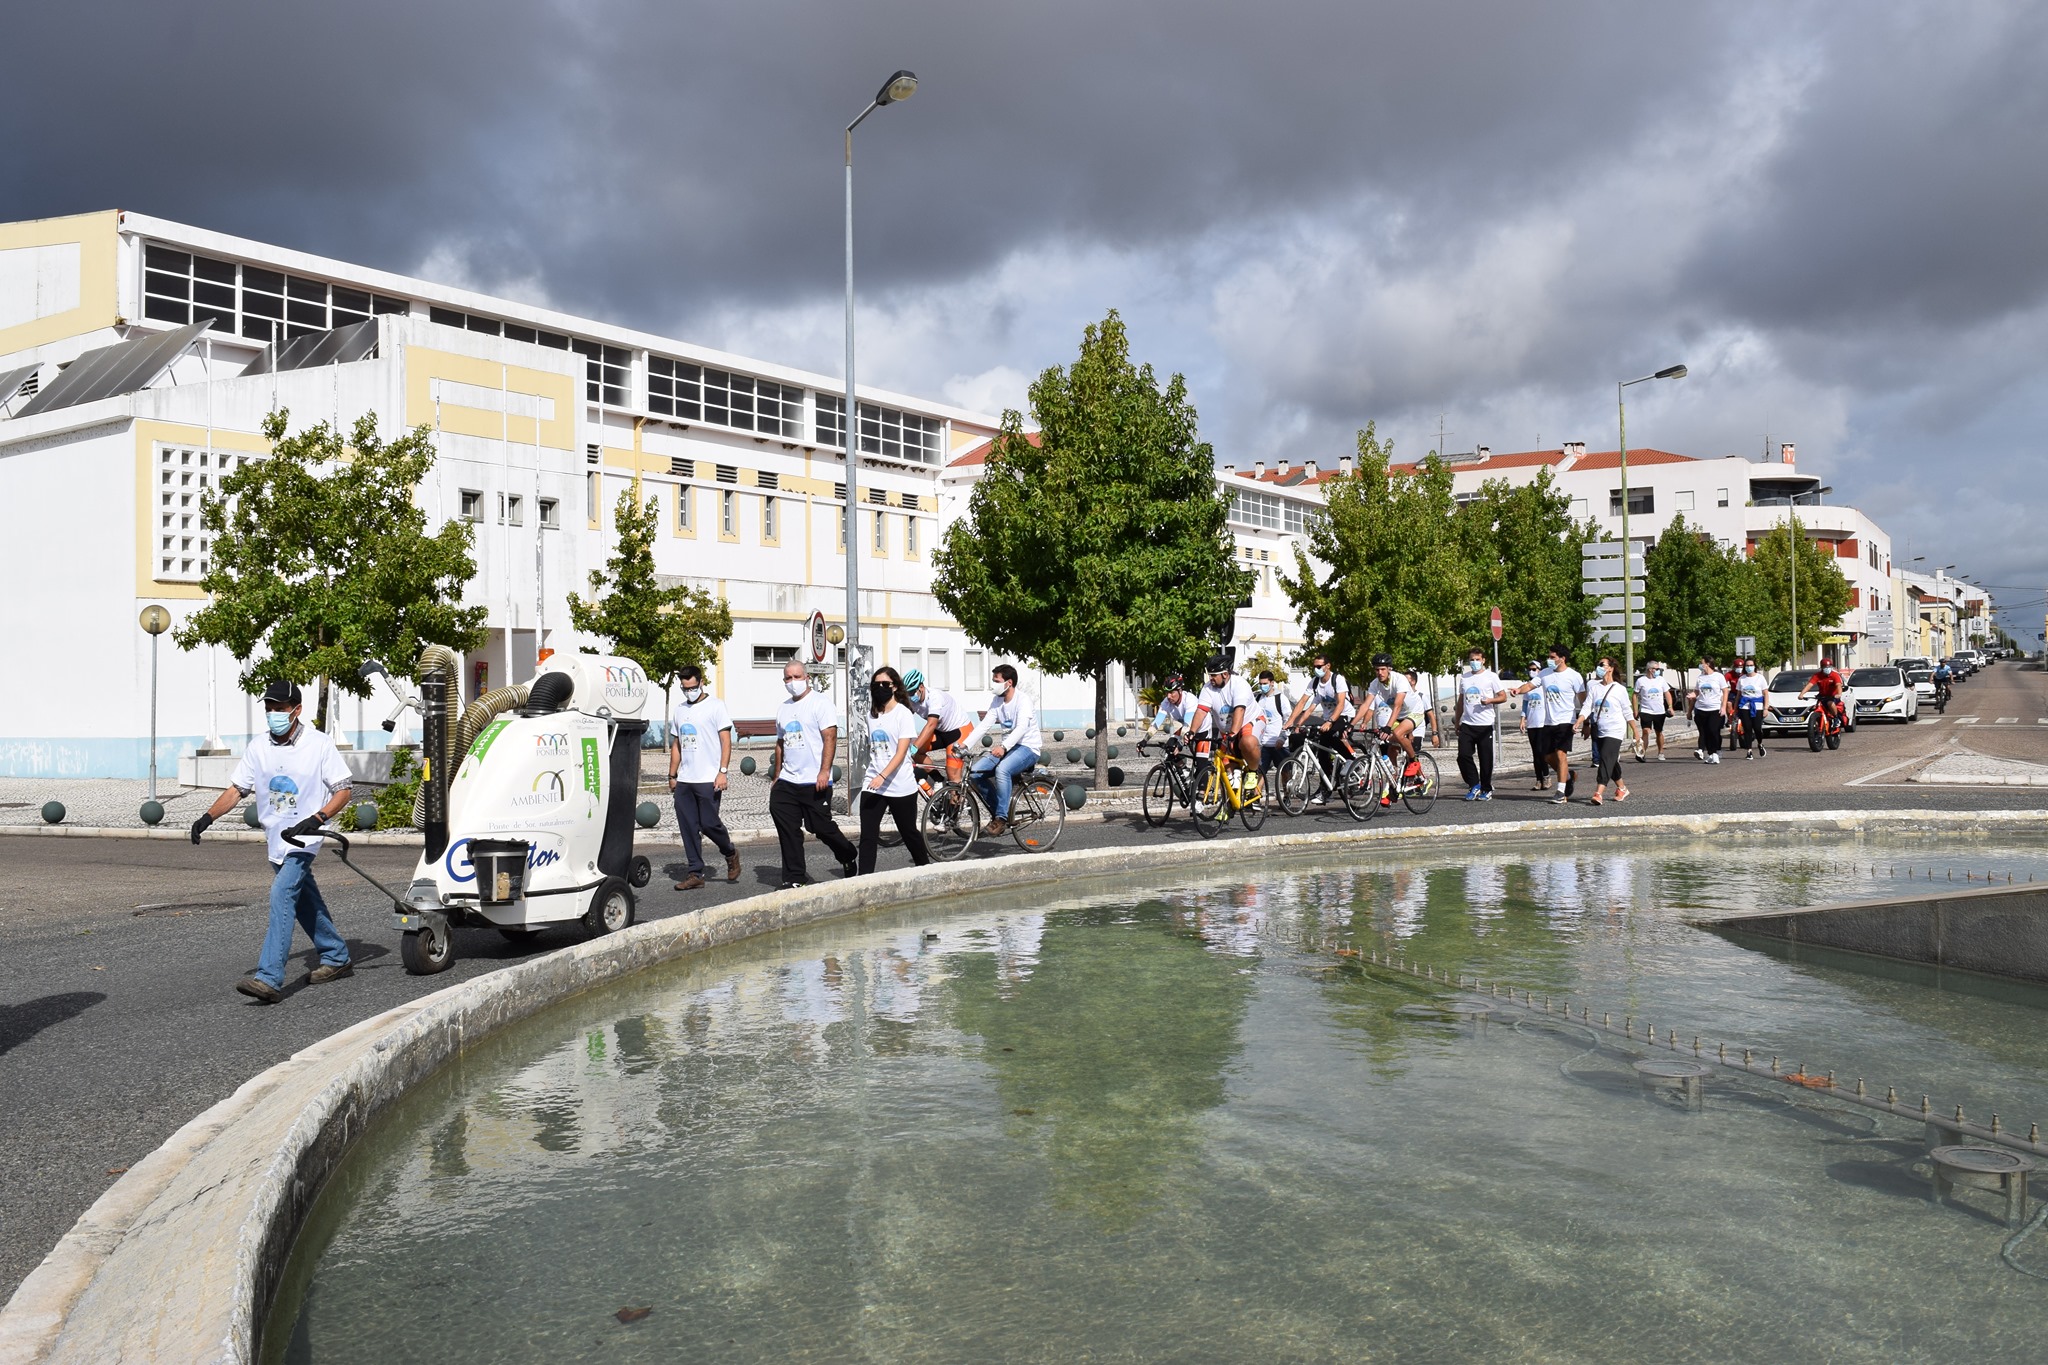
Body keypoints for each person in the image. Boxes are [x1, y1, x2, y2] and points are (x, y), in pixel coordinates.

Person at [189, 680, 356, 1004]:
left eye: (279, 709)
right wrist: (207, 817)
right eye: (269, 709)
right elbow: (237, 789)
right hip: (275, 838)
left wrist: (318, 818)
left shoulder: (319, 745)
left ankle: (269, 978)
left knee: (282, 894)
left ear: (296, 710)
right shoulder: (258, 747)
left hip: (304, 838)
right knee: (305, 900)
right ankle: (336, 957)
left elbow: (344, 789)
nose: (273, 715)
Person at [769, 660, 857, 888]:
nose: (792, 682)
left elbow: (830, 737)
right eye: (788, 678)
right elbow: (780, 743)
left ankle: (847, 853)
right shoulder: (783, 708)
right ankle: (795, 878)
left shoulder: (820, 703)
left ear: (806, 677)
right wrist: (777, 775)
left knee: (819, 827)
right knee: (787, 827)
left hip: (815, 780)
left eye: (797, 677)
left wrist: (824, 771)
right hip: (788, 781)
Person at [666, 663, 740, 890]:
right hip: (686, 780)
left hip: (709, 778)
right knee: (688, 826)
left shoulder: (716, 707)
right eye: (684, 688)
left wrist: (723, 771)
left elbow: (726, 741)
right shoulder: (679, 710)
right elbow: (677, 744)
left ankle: (730, 852)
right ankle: (695, 872)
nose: (689, 691)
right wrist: (672, 774)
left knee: (708, 824)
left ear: (701, 683)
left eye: (692, 687)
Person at [856, 667, 931, 874]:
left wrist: (883, 776)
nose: (880, 688)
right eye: (876, 685)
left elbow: (901, 753)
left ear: (895, 687)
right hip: (873, 784)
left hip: (900, 785)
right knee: (868, 836)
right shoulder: (871, 716)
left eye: (885, 684)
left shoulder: (903, 714)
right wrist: (876, 776)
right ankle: (863, 881)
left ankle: (925, 871)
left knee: (909, 833)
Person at [972, 663, 1041, 836]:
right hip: (1009, 748)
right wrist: (963, 745)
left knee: (1002, 769)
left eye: (996, 681)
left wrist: (1003, 747)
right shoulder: (997, 701)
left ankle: (1001, 819)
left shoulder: (1022, 700)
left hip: (1028, 748)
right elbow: (984, 725)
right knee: (975, 773)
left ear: (1008, 683)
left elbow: (1021, 728)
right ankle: (998, 814)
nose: (993, 684)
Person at [1286, 653, 1352, 803]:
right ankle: (1326, 788)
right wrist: (1294, 723)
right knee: (1322, 750)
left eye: (1319, 666)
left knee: (1330, 735)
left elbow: (1341, 704)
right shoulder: (1315, 683)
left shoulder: (1337, 679)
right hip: (1327, 719)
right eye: (1314, 666)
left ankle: (1349, 759)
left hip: (1344, 715)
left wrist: (1330, 721)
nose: (1316, 669)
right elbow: (1305, 704)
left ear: (1328, 666)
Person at [1193, 654, 1260, 790]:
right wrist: (1191, 731)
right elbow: (1201, 711)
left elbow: (1239, 711)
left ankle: (1253, 771)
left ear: (1224, 674)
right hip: (1226, 729)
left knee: (1247, 742)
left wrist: (1234, 733)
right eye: (1209, 675)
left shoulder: (1239, 684)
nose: (1210, 678)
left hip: (1249, 721)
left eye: (1213, 675)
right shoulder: (1208, 688)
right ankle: (1228, 805)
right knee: (1223, 766)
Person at [1577, 656, 1637, 805]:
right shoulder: (1595, 687)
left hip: (1615, 729)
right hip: (1600, 728)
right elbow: (1587, 706)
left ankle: (1598, 793)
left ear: (1610, 668)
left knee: (1604, 757)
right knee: (1610, 760)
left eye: (1602, 665)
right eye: (1598, 664)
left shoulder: (1619, 689)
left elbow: (1627, 711)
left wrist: (1636, 732)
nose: (1599, 667)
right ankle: (1622, 788)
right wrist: (1579, 721)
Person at [1454, 645, 1508, 801]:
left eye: (1477, 660)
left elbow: (1503, 696)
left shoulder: (1491, 677)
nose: (1474, 662)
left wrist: (1490, 700)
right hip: (1468, 724)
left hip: (1485, 724)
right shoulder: (1464, 678)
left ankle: (1486, 788)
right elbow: (1461, 701)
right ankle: (1473, 784)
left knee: (1485, 759)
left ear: (1483, 660)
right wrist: (1457, 721)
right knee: (1463, 756)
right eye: (1472, 660)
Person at [1539, 646, 1586, 804]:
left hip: (1566, 721)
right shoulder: (1544, 673)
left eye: (1552, 657)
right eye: (1549, 657)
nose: (1549, 660)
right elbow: (1530, 685)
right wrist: (1518, 691)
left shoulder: (1574, 676)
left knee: (1561, 754)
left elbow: (1583, 700)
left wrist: (1585, 722)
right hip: (1548, 721)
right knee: (1547, 756)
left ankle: (1560, 791)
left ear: (1562, 658)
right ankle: (1567, 776)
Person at [904, 668, 976, 770]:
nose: (910, 696)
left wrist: (914, 747)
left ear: (921, 687)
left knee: (953, 776)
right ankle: (938, 780)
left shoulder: (935, 697)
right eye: (908, 693)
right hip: (941, 731)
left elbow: (931, 724)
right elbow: (903, 716)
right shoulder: (913, 701)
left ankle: (955, 785)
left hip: (959, 730)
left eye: (911, 692)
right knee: (916, 753)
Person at [1514, 661, 1550, 790]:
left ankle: (1546, 776)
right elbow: (1525, 704)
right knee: (1535, 753)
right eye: (1530, 669)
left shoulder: (1544, 686)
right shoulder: (1527, 687)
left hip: (1542, 723)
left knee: (1541, 752)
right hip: (1532, 723)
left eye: (1534, 669)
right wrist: (1523, 719)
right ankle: (1538, 779)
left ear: (1540, 670)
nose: (1531, 671)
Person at [1250, 669, 1291, 778]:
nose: (1262, 686)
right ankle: (1257, 794)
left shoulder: (1281, 698)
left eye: (1265, 684)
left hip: (1279, 744)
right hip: (1263, 744)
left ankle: (1287, 794)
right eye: (1260, 684)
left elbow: (1288, 719)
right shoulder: (1258, 699)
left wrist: (1282, 737)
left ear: (1272, 683)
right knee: (1260, 772)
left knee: (1284, 772)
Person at [1633, 661, 1676, 762]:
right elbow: (1635, 695)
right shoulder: (1641, 681)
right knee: (1646, 731)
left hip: (1659, 711)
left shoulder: (1661, 680)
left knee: (1659, 732)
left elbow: (1667, 693)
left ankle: (1661, 752)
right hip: (1645, 710)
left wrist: (1670, 707)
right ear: (1650, 669)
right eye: (1656, 669)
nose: (1658, 671)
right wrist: (1635, 710)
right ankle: (1642, 753)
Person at [1689, 656, 1728, 763]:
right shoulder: (1700, 677)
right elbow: (1697, 691)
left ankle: (1714, 752)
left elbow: (1725, 691)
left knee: (1713, 730)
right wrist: (1692, 694)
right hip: (1701, 708)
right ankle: (1711, 754)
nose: (1701, 665)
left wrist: (1723, 706)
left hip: (1715, 708)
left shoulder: (1718, 676)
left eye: (1702, 663)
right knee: (1704, 732)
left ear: (1708, 664)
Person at [1798, 658, 1848, 734]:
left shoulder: (1835, 675)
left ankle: (1836, 718)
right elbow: (1809, 685)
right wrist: (1801, 694)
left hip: (1833, 696)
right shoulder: (1817, 676)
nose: (1827, 669)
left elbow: (1838, 685)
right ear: (1821, 667)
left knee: (1829, 703)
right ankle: (1817, 722)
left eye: (1829, 666)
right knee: (1817, 706)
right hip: (1822, 696)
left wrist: (1839, 694)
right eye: (1825, 667)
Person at [1733, 660, 1769, 759]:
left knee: (1757, 728)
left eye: (1751, 665)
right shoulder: (1742, 679)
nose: (1749, 667)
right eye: (1747, 665)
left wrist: (1766, 708)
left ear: (1754, 666)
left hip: (1757, 706)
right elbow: (1738, 695)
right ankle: (1749, 750)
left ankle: (1760, 743)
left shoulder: (1760, 678)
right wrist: (1735, 709)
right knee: (1747, 728)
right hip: (1744, 706)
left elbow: (1765, 693)